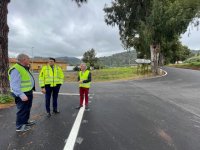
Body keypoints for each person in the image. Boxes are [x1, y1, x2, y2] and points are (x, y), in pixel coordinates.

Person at [8, 53, 36, 132]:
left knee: (27, 109)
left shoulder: (24, 67)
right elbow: (14, 84)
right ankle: (19, 126)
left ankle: (25, 122)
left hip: (28, 92)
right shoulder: (16, 69)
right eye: (28, 59)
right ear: (24, 60)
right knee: (22, 110)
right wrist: (21, 95)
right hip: (22, 93)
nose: (29, 60)